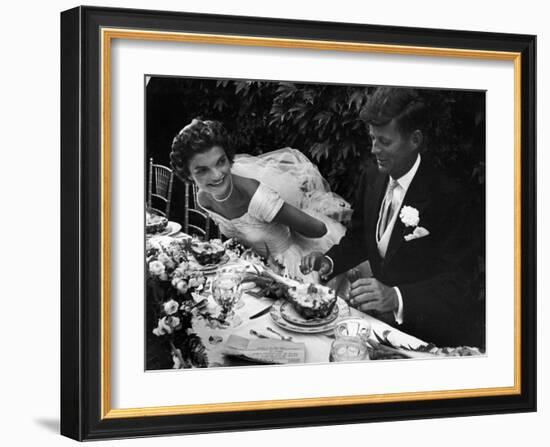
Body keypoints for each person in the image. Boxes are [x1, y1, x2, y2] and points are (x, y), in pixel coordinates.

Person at [301, 87, 482, 347]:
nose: (374, 149)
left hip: (432, 334)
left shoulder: (449, 196)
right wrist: (329, 261)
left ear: (415, 140)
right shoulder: (372, 176)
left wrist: (396, 297)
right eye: (372, 139)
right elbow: (359, 238)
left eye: (384, 141)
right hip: (380, 328)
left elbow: (460, 283)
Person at [169, 119, 350, 281]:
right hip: (256, 268)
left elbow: (319, 229)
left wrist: (282, 219)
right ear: (188, 174)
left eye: (221, 162)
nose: (216, 175)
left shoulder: (256, 196)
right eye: (202, 170)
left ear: (229, 158)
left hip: (294, 270)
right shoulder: (204, 198)